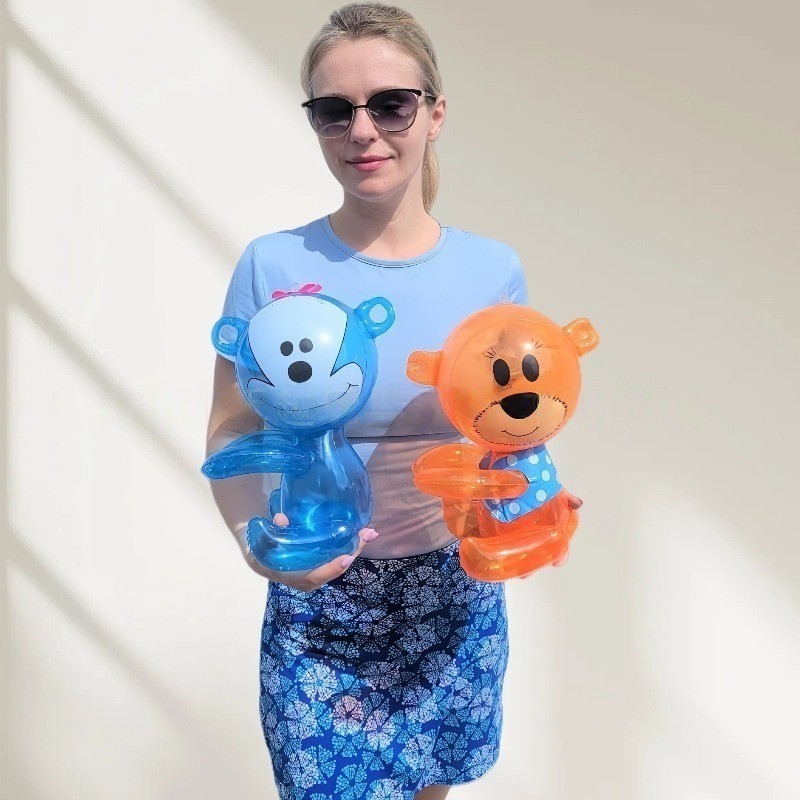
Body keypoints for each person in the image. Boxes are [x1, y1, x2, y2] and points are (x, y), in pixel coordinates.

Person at [205, 4, 581, 799]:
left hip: (452, 597)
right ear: (314, 122)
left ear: (434, 114)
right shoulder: (272, 266)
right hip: (320, 601)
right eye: (334, 110)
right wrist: (252, 543)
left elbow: (510, 423)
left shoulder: (491, 270)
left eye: (390, 105)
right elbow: (232, 426)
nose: (362, 130)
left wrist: (531, 502)